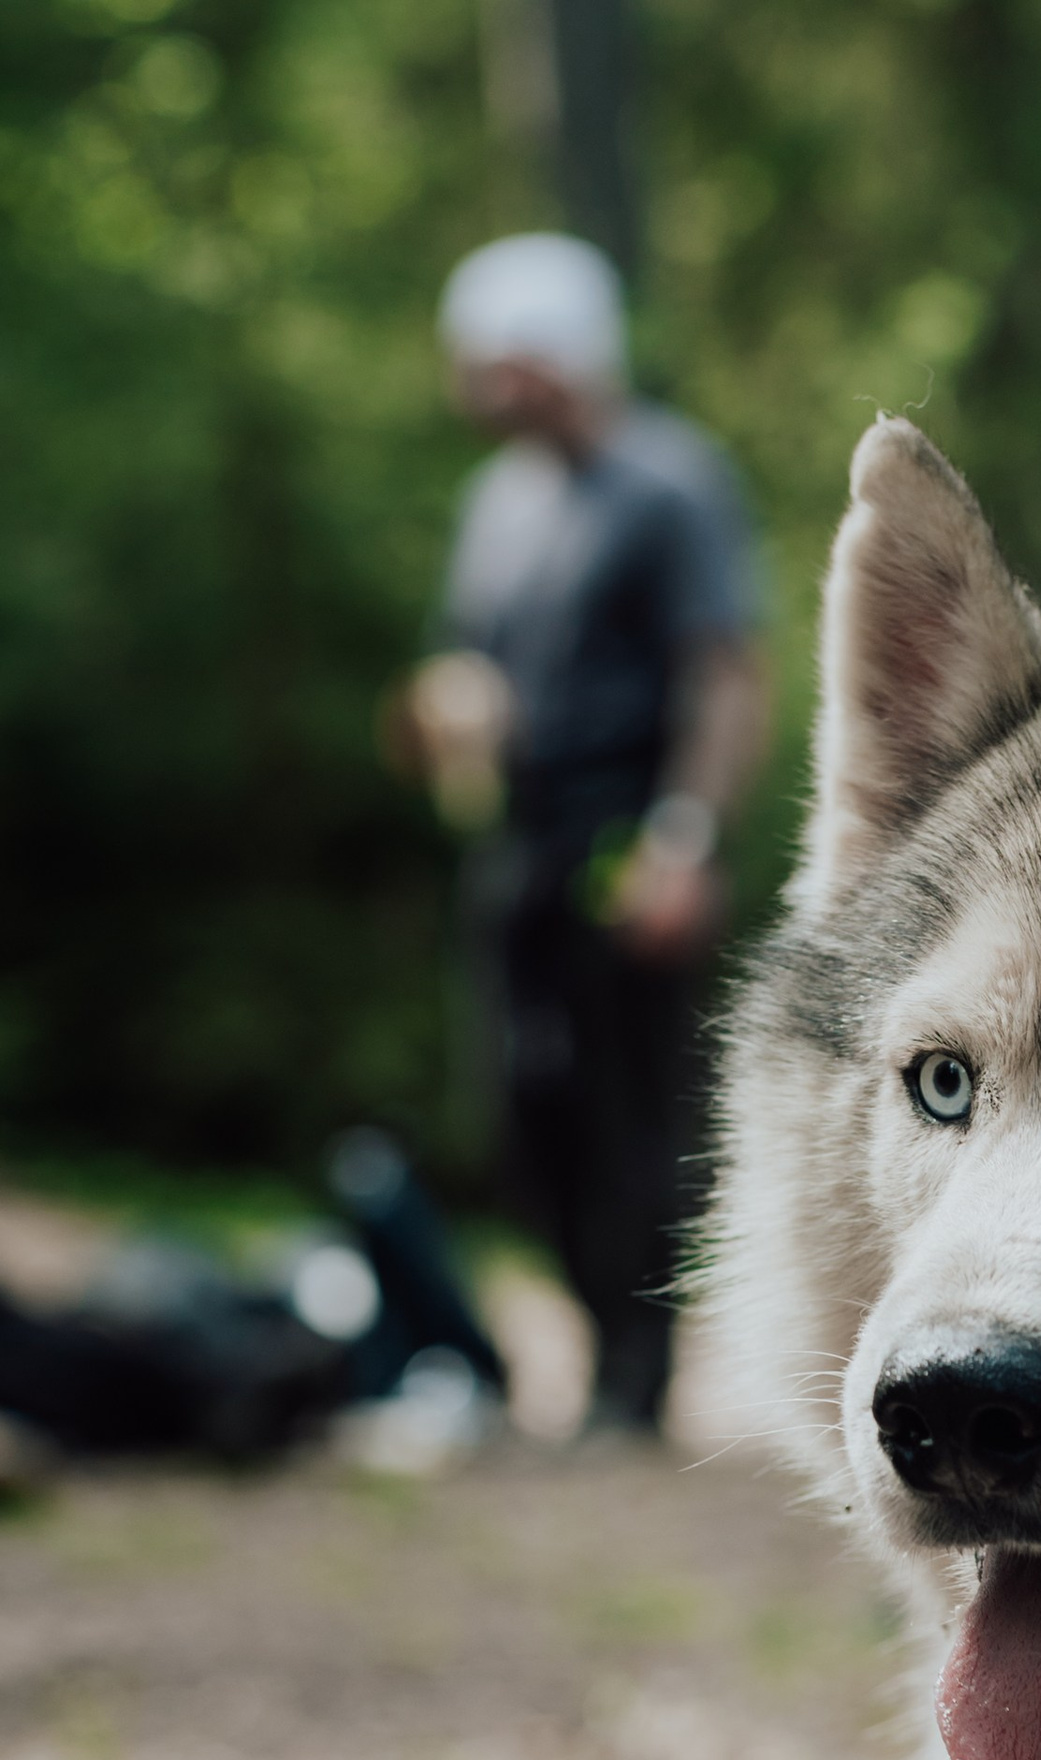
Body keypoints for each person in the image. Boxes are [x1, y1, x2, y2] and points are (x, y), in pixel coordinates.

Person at [410, 234, 767, 1435]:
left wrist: (685, 838)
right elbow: (473, 667)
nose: (477, 388)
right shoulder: (495, 500)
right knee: (527, 1101)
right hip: (515, 842)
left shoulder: (670, 483)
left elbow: (723, 671)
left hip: (627, 832)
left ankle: (638, 1374)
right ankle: (582, 1333)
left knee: (633, 1107)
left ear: (553, 353)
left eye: (496, 361)